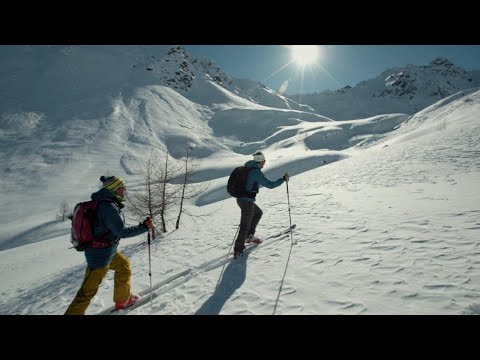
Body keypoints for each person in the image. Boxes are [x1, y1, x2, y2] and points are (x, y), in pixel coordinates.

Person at [65, 175, 153, 315]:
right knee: (87, 293)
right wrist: (143, 227)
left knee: (123, 266)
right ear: (114, 189)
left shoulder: (104, 202)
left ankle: (122, 300)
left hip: (108, 251)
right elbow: (121, 232)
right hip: (99, 257)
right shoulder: (107, 207)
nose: (125, 190)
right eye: (123, 188)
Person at [233, 151, 288, 259]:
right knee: (245, 225)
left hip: (241, 199)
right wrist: (283, 179)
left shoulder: (246, 168)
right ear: (260, 161)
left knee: (258, 213)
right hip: (246, 202)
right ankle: (238, 249)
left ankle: (249, 236)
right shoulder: (255, 172)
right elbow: (270, 185)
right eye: (264, 161)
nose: (264, 163)